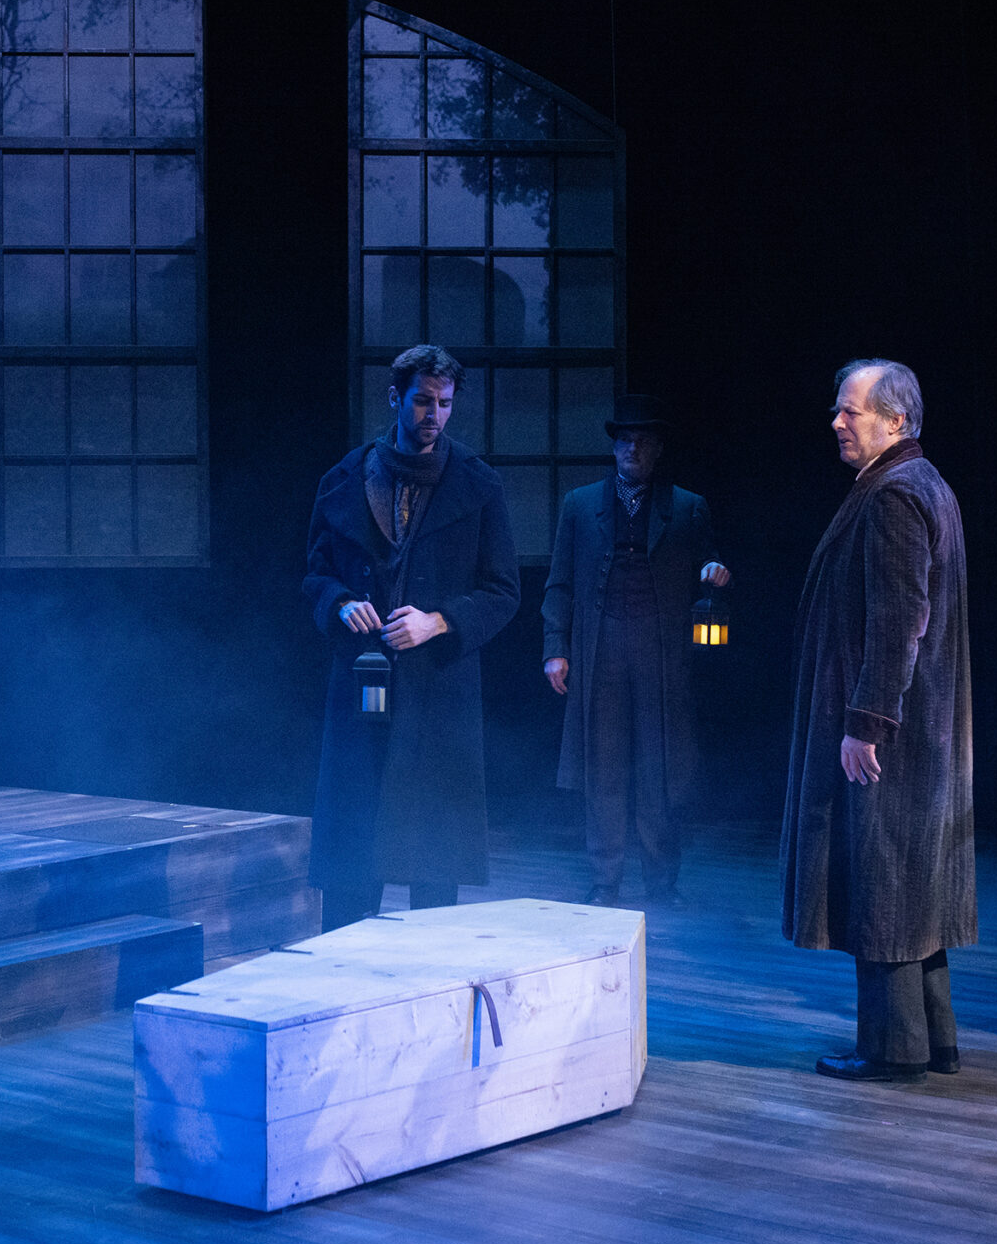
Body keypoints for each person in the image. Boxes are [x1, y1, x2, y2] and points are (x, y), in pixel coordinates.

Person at [781, 358, 975, 1082]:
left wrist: (867, 720)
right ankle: (934, 1039)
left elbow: (899, 620)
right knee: (911, 879)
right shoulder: (920, 482)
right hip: (919, 725)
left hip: (896, 727)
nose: (836, 422)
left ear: (894, 421)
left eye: (850, 411)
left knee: (883, 877)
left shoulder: (895, 494)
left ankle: (892, 1049)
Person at [303, 344, 520, 931]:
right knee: (354, 848)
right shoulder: (344, 479)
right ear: (395, 397)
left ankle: (430, 972)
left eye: (445, 403)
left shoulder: (477, 484)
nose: (435, 415)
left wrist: (439, 621)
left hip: (437, 692)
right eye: (423, 401)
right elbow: (314, 575)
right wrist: (339, 602)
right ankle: (342, 963)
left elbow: (503, 590)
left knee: (433, 858)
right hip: (364, 683)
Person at [541, 395, 730, 908]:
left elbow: (710, 565)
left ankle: (661, 882)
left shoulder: (687, 506)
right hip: (600, 647)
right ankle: (604, 880)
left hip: (659, 650)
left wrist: (715, 571)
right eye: (625, 440)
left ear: (658, 448)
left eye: (643, 441)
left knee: (659, 767)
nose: (633, 449)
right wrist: (556, 647)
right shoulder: (580, 504)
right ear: (614, 447)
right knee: (602, 766)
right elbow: (559, 583)